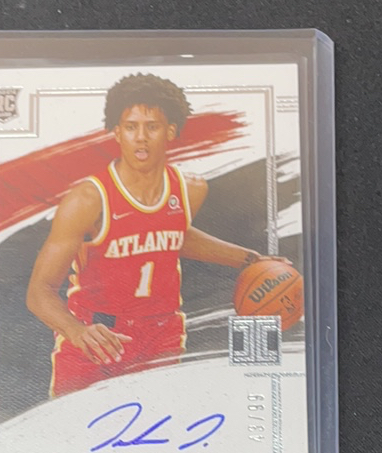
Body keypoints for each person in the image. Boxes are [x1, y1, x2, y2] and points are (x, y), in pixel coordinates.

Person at [26, 73, 263, 397]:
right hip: (99, 333)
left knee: (156, 425)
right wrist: (76, 331)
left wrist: (250, 260)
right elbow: (39, 291)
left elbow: (171, 235)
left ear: (170, 131)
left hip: (161, 333)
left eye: (151, 126)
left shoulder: (190, 189)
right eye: (130, 126)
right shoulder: (89, 199)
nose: (140, 137)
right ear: (117, 132)